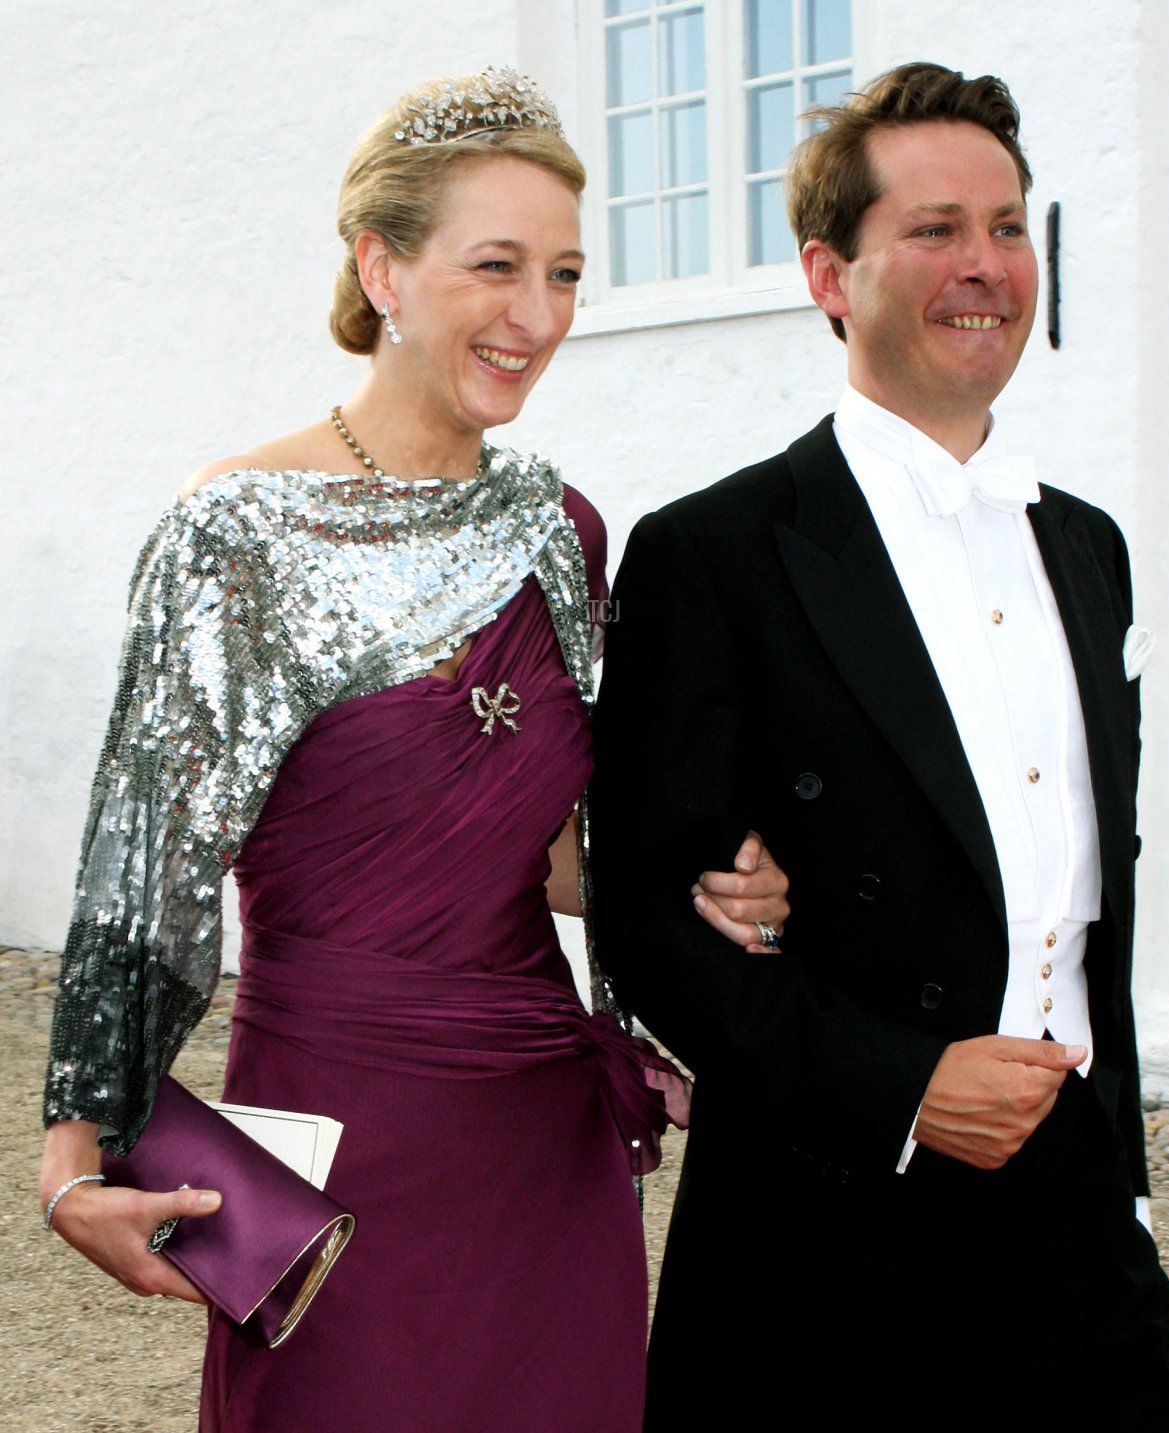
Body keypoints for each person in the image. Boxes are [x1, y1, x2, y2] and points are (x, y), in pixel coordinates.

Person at [38, 68, 789, 1433]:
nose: (537, 316)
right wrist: (73, 1158)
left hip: (544, 1141)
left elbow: (549, 850)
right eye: (495, 266)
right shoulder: (237, 530)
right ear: (381, 267)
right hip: (337, 1142)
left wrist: (704, 883)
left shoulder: (561, 529)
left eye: (565, 274)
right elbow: (147, 859)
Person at [591, 61, 1169, 1429]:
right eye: (934, 230)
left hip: (1081, 1227)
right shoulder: (714, 553)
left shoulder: (1089, 548)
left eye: (1006, 226)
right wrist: (908, 1088)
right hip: (835, 1233)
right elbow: (648, 920)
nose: (984, 264)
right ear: (830, 275)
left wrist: (1124, 1179)